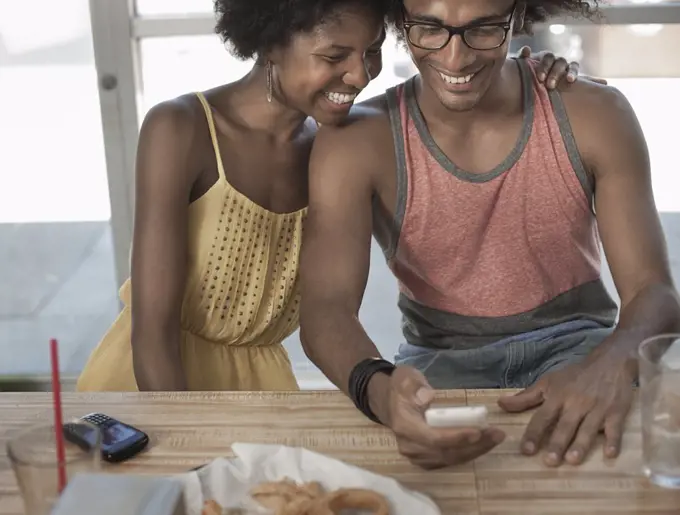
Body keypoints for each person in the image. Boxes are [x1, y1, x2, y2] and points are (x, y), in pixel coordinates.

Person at [77, 0, 586, 392]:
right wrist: (188, 448)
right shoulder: (181, 129)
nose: (360, 75)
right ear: (270, 42)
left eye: (370, 52)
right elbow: (153, 332)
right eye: (333, 55)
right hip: (155, 385)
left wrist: (525, 68)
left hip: (265, 388)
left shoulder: (335, 146)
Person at [299, 0, 680, 471]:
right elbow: (324, 310)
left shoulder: (594, 113)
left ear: (516, 16)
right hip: (438, 363)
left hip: (581, 351)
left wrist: (613, 363)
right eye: (429, 28)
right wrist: (380, 390)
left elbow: (654, 291)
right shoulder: (356, 141)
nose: (456, 59)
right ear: (400, 20)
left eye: (483, 29)